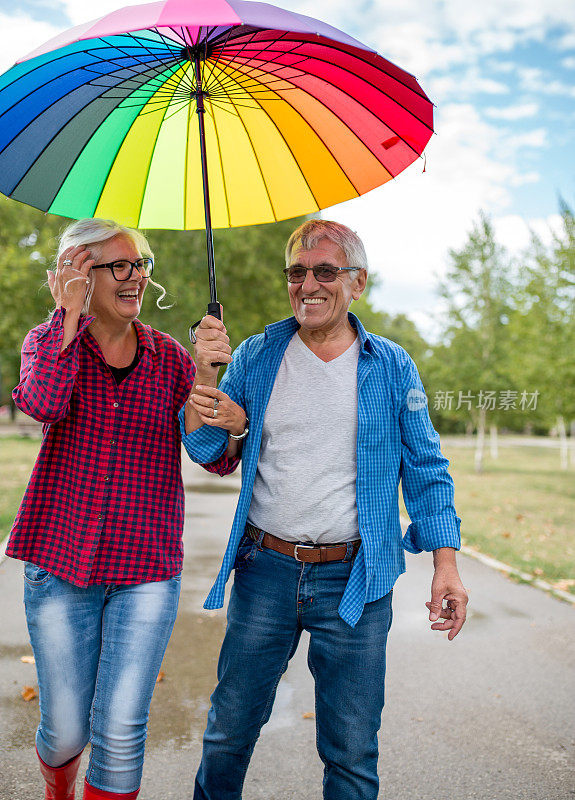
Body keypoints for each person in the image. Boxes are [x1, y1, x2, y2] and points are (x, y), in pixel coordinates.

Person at [180, 219, 469, 800]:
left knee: (352, 752)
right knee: (228, 733)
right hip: (266, 570)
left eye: (325, 271)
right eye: (297, 272)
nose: (308, 284)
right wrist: (206, 372)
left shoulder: (391, 367)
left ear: (357, 282)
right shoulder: (258, 356)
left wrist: (446, 565)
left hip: (356, 578)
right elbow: (208, 448)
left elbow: (427, 470)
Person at [6, 218, 243, 800]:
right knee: (65, 732)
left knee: (120, 732)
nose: (135, 277)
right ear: (77, 276)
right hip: (61, 565)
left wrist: (210, 375)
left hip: (146, 572)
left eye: (139, 264)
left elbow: (211, 457)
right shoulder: (46, 343)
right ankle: (58, 782)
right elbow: (43, 402)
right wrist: (66, 319)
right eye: (118, 265)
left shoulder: (170, 359)